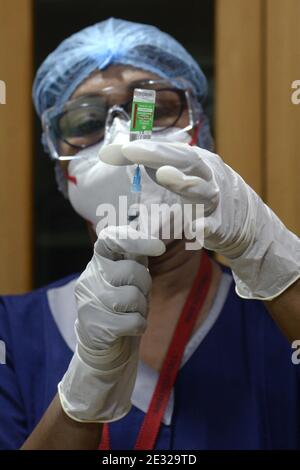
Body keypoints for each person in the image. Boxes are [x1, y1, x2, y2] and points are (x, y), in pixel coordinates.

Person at [0, 17, 300, 450]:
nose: (123, 135)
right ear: (61, 172)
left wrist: (273, 258)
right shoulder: (12, 332)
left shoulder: (274, 316)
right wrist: (83, 395)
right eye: (86, 120)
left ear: (201, 133)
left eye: (156, 110)